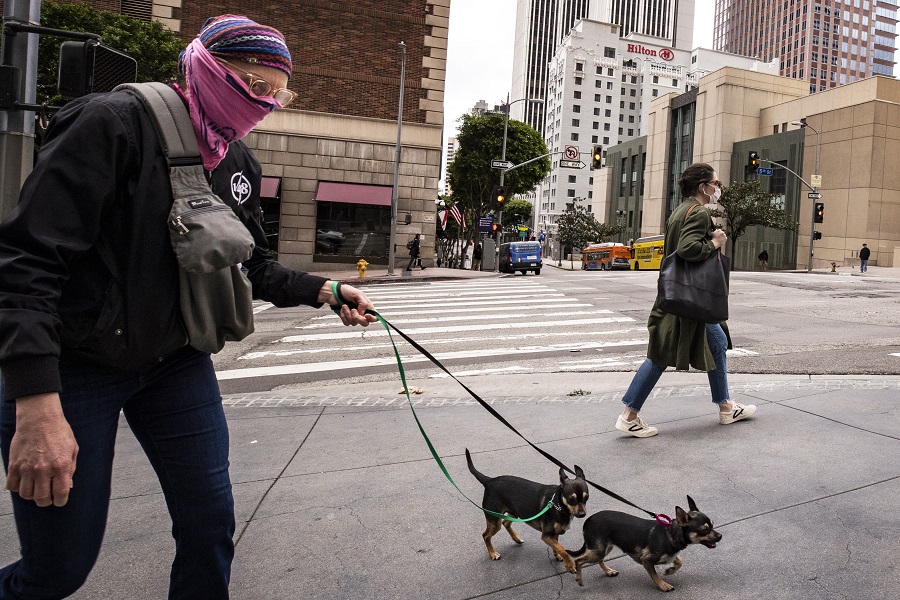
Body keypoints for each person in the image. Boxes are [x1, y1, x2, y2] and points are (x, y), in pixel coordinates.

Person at [0, 15, 377, 599]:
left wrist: (324, 292)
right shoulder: (109, 124)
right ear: (204, 66)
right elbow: (26, 262)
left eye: (280, 95)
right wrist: (36, 404)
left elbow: (248, 263)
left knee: (209, 525)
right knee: (58, 569)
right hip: (73, 368)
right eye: (256, 86)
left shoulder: (236, 164)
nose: (266, 105)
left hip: (175, 363)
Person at [614, 163, 756, 438]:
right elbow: (687, 249)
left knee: (716, 343)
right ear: (703, 187)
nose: (718, 188)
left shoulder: (680, 210)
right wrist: (715, 243)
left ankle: (726, 407)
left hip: (680, 295)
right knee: (659, 355)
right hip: (687, 299)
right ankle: (629, 415)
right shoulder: (699, 212)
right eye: (715, 183)